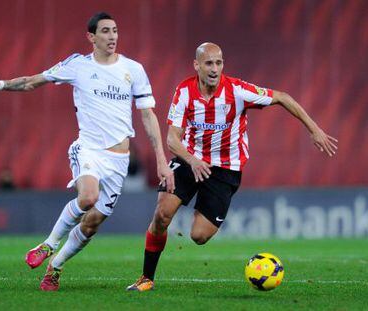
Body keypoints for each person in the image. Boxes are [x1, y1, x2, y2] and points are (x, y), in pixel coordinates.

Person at [0, 12, 174, 291]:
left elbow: (148, 116)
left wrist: (162, 161)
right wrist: (1, 85)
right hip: (88, 149)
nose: (112, 36)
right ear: (91, 37)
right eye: (105, 31)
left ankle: (55, 267)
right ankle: (48, 244)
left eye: (115, 30)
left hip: (119, 161)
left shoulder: (134, 69)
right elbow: (34, 81)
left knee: (91, 225)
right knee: (88, 196)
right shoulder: (77, 66)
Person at [127, 42, 338, 291]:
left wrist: (315, 130)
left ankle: (200, 205)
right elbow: (173, 138)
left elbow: (283, 97)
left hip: (226, 169)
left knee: (199, 236)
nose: (215, 68)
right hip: (189, 159)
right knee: (162, 215)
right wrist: (193, 160)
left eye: (219, 62)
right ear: (197, 65)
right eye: (209, 63)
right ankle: (146, 278)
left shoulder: (237, 90)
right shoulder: (184, 91)